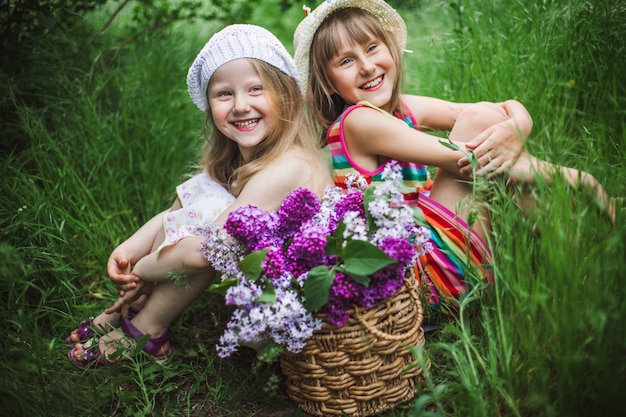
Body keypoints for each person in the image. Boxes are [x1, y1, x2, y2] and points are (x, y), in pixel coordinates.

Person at [293, 0, 618, 312]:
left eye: (372, 47)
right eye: (346, 61)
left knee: (481, 119)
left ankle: (575, 263)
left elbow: (494, 110)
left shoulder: (402, 108)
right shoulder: (356, 123)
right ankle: (576, 255)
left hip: (442, 259)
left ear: (390, 48)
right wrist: (577, 178)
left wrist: (521, 121)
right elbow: (467, 159)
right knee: (482, 135)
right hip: (417, 285)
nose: (366, 66)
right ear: (330, 83)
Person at [67, 24, 333, 367]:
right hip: (255, 271)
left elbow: (205, 253)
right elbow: (178, 212)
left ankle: (148, 330)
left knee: (204, 238)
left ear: (286, 95)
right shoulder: (241, 157)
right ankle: (131, 310)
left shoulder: (289, 167)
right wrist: (131, 249)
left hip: (295, 304)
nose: (240, 105)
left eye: (256, 89)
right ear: (209, 105)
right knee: (203, 199)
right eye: (224, 94)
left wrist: (146, 270)